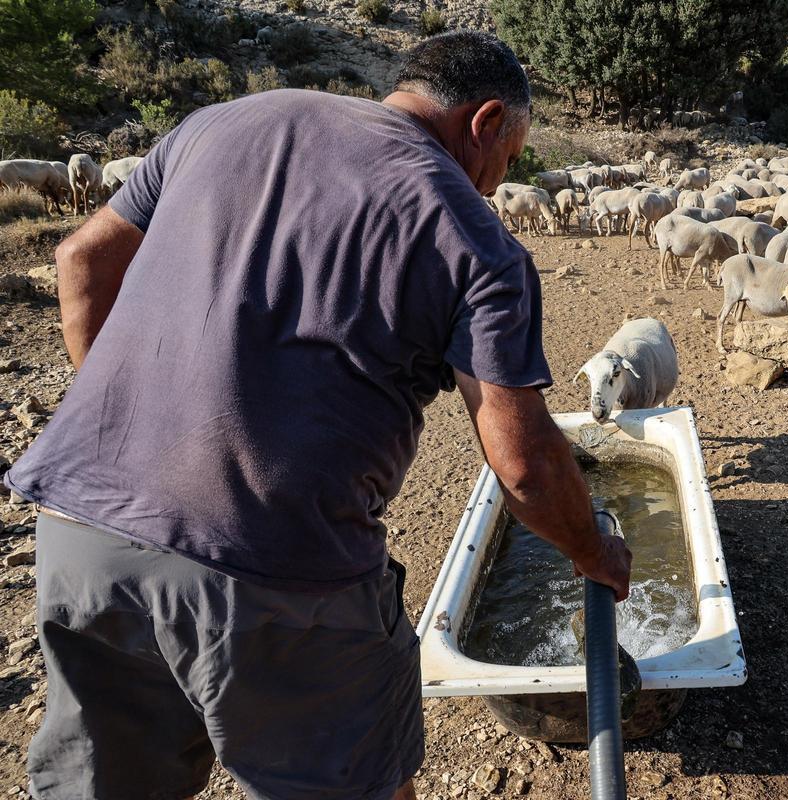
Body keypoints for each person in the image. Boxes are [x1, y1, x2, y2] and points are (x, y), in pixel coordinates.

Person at [3, 31, 631, 800]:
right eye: (509, 158)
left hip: (81, 531)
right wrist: (591, 547)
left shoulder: (221, 122)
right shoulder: (472, 234)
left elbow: (81, 260)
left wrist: (128, 425)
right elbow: (524, 461)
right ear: (487, 121)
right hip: (274, 568)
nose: (499, 185)